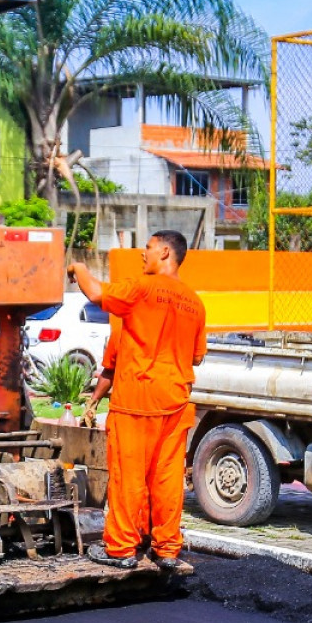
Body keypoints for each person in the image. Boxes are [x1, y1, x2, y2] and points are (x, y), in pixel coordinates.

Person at [67, 230, 207, 570]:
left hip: (137, 400)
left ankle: (122, 549)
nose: (141, 254)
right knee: (167, 479)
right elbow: (197, 357)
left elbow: (98, 292)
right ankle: (168, 549)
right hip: (175, 401)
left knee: (128, 476)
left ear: (164, 252)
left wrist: (78, 269)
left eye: (147, 248)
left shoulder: (142, 289)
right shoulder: (195, 302)